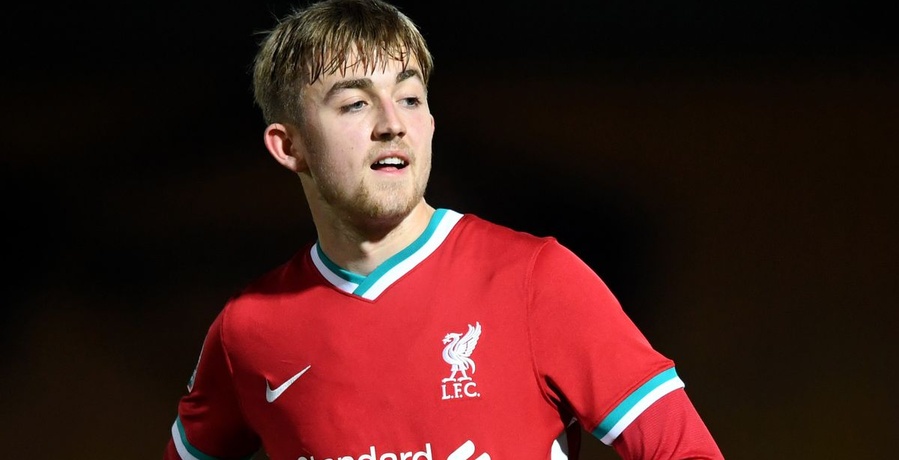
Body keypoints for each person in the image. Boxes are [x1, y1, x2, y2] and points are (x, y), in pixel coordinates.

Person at [162, 0, 724, 459]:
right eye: (355, 104)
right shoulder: (247, 330)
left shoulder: (536, 280)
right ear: (290, 146)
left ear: (429, 121)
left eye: (409, 98)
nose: (392, 124)